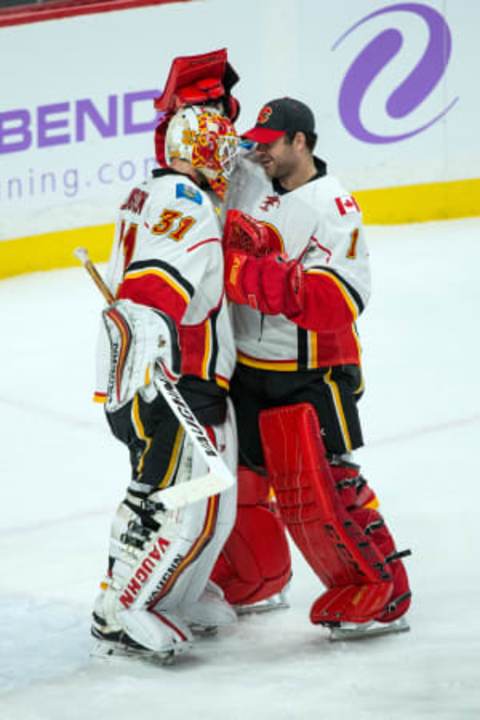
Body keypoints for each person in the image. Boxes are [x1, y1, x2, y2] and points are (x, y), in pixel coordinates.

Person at [212, 96, 412, 639]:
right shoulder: (253, 178)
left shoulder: (334, 207)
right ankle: (257, 580)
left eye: (271, 143)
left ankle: (385, 592)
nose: (261, 152)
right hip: (250, 369)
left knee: (329, 485)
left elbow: (340, 299)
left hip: (313, 371)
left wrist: (250, 275)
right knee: (245, 485)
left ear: (301, 142)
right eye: (256, 141)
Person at [90, 103, 240, 661]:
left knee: (189, 495)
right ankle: (125, 607)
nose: (227, 164)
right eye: (220, 151)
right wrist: (154, 361)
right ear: (199, 154)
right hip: (175, 375)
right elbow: (157, 285)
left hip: (153, 372)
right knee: (176, 500)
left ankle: (176, 594)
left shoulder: (148, 193)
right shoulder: (189, 202)